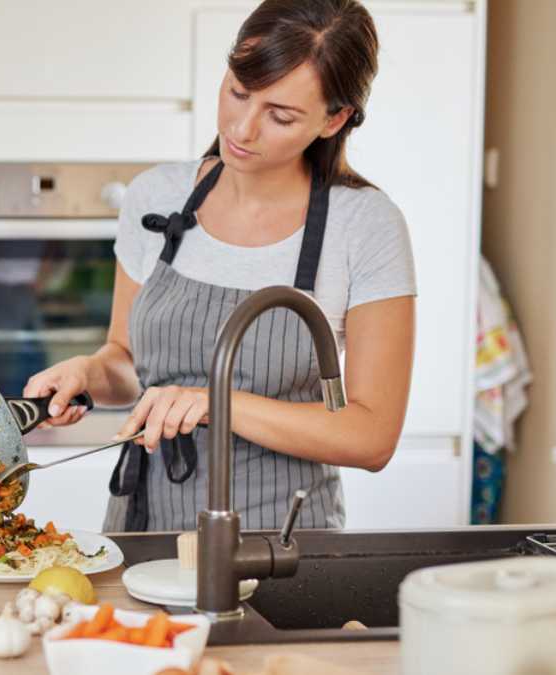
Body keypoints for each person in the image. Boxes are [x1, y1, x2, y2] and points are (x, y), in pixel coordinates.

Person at [23, 0, 416, 532]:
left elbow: (371, 436)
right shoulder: (156, 194)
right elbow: (126, 362)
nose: (243, 127)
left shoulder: (365, 225)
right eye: (237, 91)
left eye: (280, 115)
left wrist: (215, 402)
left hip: (282, 543)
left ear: (334, 119)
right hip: (142, 526)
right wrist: (89, 373)